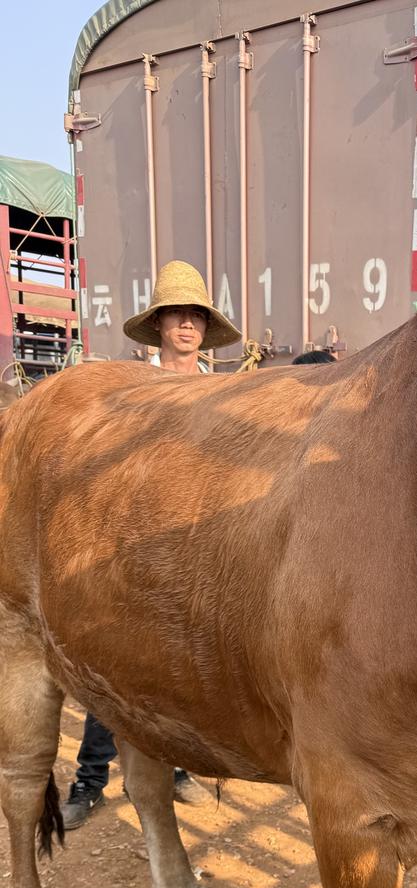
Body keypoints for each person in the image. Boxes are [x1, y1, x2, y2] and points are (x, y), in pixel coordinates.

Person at [61, 261, 242, 829]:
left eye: (195, 316)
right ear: (159, 323)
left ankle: (179, 770)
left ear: (204, 328)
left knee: (180, 669)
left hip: (191, 547)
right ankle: (90, 781)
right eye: (177, 315)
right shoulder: (131, 391)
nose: (186, 325)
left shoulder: (221, 392)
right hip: (133, 544)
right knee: (115, 667)